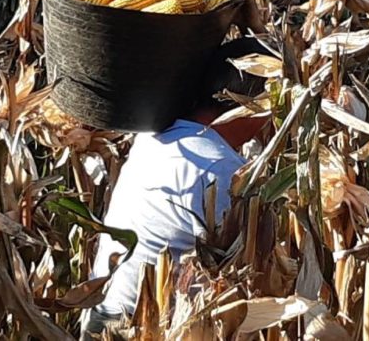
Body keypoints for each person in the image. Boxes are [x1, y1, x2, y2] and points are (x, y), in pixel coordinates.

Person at [80, 36, 272, 340]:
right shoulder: (221, 170)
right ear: (256, 106)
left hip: (101, 313)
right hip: (143, 328)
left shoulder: (158, 135)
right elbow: (254, 266)